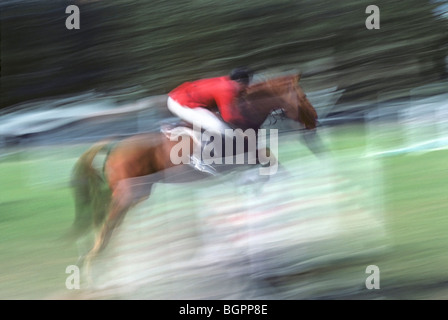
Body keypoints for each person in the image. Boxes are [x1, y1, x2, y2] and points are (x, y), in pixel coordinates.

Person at [166, 67, 254, 173]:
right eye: (246, 86)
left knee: (217, 123)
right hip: (181, 102)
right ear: (240, 82)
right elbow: (229, 116)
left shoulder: (227, 82)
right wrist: (243, 127)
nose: (245, 89)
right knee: (219, 127)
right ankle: (198, 159)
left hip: (181, 98)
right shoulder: (229, 88)